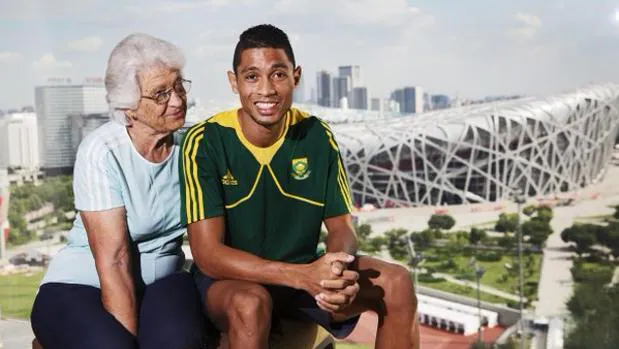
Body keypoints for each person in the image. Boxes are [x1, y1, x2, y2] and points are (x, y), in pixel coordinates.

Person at [180, 24, 419, 349]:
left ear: (296, 76)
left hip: (304, 275)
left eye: (278, 75)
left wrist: (336, 269)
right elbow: (207, 255)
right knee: (250, 304)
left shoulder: (317, 135)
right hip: (231, 282)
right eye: (252, 77)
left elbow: (342, 226)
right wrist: (300, 276)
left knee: (397, 284)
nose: (266, 90)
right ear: (233, 82)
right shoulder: (205, 140)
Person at [31, 33, 207, 349]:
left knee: (178, 342)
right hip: (83, 282)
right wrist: (125, 339)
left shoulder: (192, 147)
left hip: (163, 280)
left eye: (179, 86)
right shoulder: (102, 150)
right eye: (160, 94)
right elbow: (114, 261)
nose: (178, 100)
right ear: (128, 108)